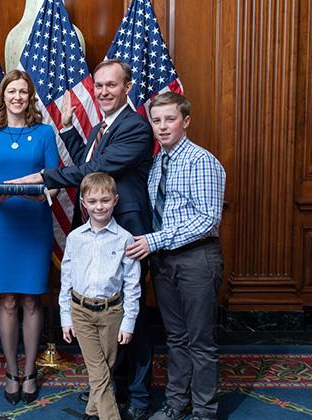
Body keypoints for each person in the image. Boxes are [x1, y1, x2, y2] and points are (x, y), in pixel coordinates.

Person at [8, 59, 154, 419]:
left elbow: (96, 170)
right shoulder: (103, 128)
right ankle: (109, 389)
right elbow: (92, 159)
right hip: (95, 231)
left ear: (127, 87)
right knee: (104, 313)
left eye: (111, 85)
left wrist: (43, 176)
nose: (104, 91)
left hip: (125, 229)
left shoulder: (135, 125)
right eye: (99, 86)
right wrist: (71, 130)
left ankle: (137, 397)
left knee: (130, 316)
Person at [125, 92, 226, 420]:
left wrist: (155, 240)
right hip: (165, 260)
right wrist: (155, 246)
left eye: (170, 119)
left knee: (200, 341)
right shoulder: (157, 164)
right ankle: (175, 403)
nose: (163, 126)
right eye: (157, 120)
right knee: (176, 337)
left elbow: (208, 218)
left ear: (186, 121)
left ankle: (204, 411)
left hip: (196, 259)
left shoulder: (202, 161)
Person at [0, 70, 59, 405]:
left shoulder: (44, 133)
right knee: (8, 300)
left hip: (35, 223)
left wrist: (40, 194)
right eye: (11, 91)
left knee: (31, 299)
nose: (17, 97)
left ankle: (30, 371)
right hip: (2, 225)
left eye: (23, 92)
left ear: (30, 96)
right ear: (3, 96)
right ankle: (11, 370)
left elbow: (53, 180)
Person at [60, 172, 141, 420]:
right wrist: (66, 317)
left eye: (105, 200)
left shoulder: (125, 238)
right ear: (83, 203)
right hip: (81, 311)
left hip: (112, 313)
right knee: (98, 371)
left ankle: (91, 412)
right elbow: (67, 278)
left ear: (115, 200)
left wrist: (128, 322)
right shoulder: (75, 238)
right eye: (93, 201)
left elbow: (132, 284)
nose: (99, 206)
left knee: (104, 367)